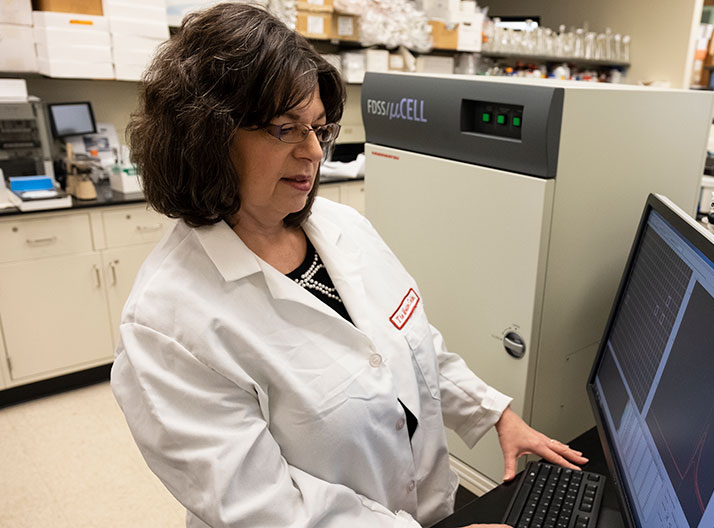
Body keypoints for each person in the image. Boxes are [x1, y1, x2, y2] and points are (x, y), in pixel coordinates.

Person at [111, 3, 586, 527]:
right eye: (285, 129)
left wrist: (493, 414)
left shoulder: (342, 228)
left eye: (317, 127)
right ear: (207, 138)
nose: (313, 151)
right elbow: (264, 509)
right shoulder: (166, 324)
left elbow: (414, 342)